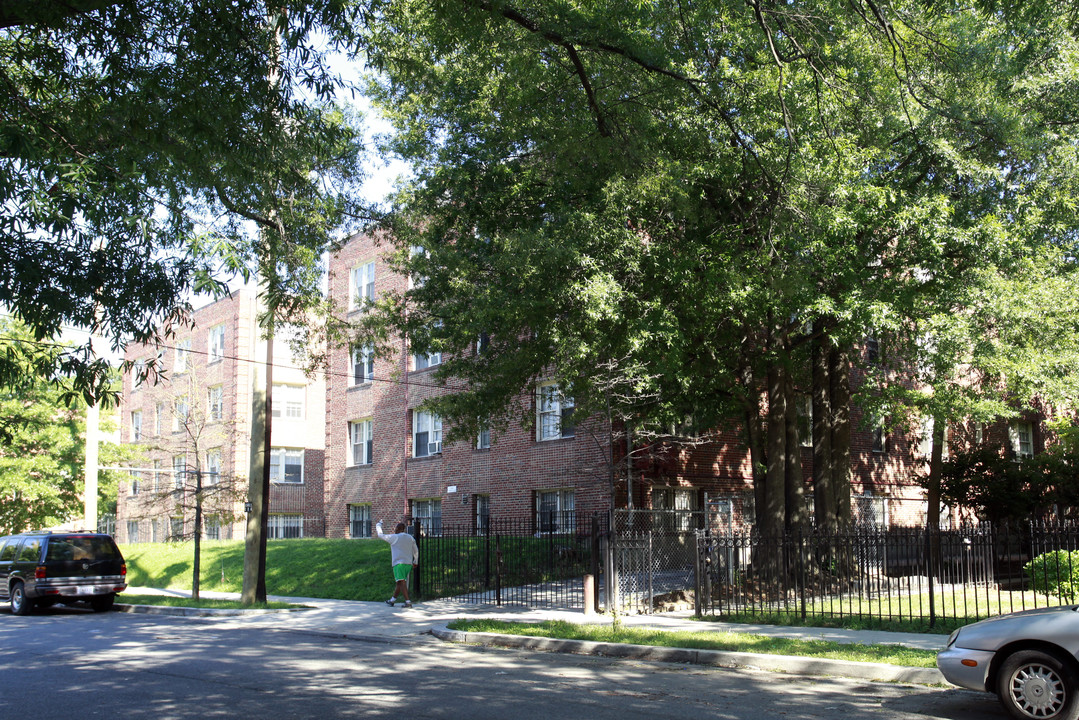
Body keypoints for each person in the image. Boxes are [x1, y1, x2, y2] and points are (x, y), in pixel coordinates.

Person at [375, 520, 418, 608]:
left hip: (399, 563)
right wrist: (415, 561)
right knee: (399, 582)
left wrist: (378, 525)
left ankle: (408, 602)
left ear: (398, 529)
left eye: (395, 528)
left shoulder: (395, 537)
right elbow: (416, 550)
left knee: (402, 582)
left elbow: (380, 535)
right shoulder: (410, 538)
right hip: (408, 564)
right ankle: (392, 600)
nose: (394, 530)